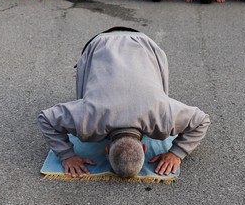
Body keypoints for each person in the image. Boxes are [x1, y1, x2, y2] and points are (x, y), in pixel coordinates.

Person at [38, 28, 210, 178]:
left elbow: (201, 121)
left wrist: (67, 155)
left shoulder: (162, 116)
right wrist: (176, 153)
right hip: (107, 43)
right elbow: (46, 119)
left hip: (142, 44)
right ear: (144, 149)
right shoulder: (87, 119)